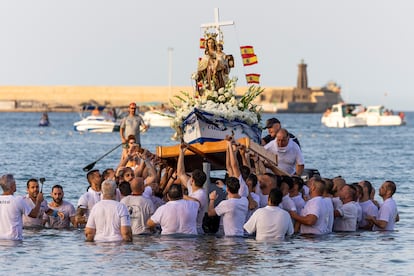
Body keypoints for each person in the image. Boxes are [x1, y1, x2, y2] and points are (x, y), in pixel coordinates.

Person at [0, 174, 44, 240]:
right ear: (12, 185)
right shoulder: (18, 200)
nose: (15, 185)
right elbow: (34, 214)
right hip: (14, 241)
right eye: (15, 183)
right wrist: (39, 201)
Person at [176, 143, 208, 234]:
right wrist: (181, 153)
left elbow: (195, 202)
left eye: (190, 177)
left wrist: (182, 196)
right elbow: (180, 173)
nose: (189, 178)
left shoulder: (201, 194)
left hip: (197, 230)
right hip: (188, 229)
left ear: (192, 180)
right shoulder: (191, 187)